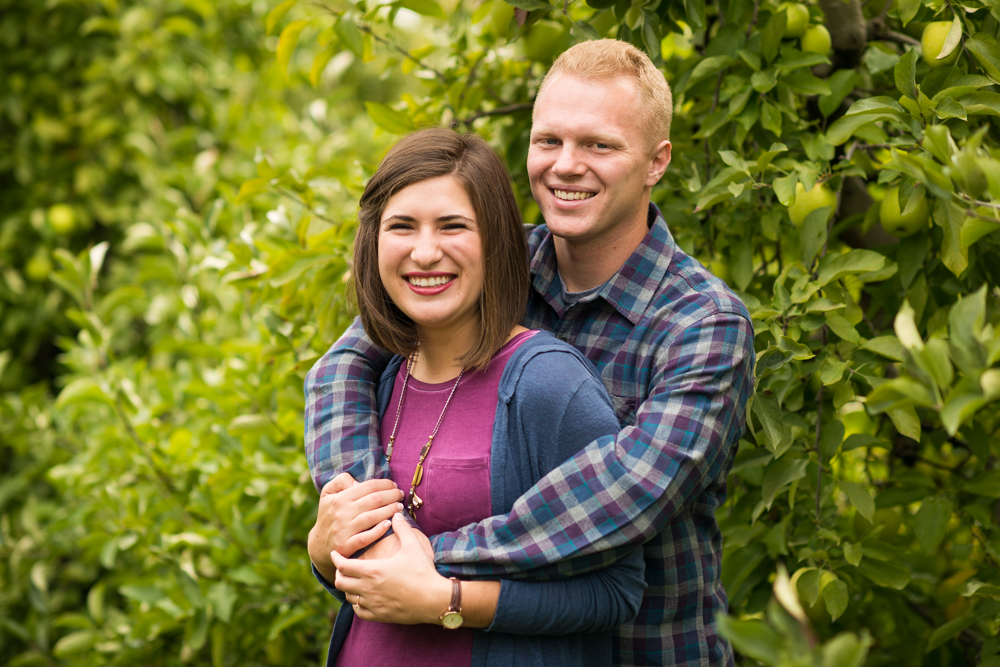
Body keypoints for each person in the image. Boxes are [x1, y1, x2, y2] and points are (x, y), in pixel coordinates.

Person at [307, 40, 755, 667]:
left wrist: (422, 561)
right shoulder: (489, 263)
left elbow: (624, 495)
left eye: (599, 145)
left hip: (646, 651)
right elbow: (341, 369)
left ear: (657, 162)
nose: (567, 165)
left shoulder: (702, 324)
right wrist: (358, 515)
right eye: (549, 141)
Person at [309, 126, 647, 667]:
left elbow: (616, 591)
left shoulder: (546, 383)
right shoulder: (380, 379)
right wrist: (324, 552)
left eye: (452, 227)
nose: (425, 252)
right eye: (402, 227)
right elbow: (376, 587)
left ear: (494, 243)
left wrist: (450, 601)